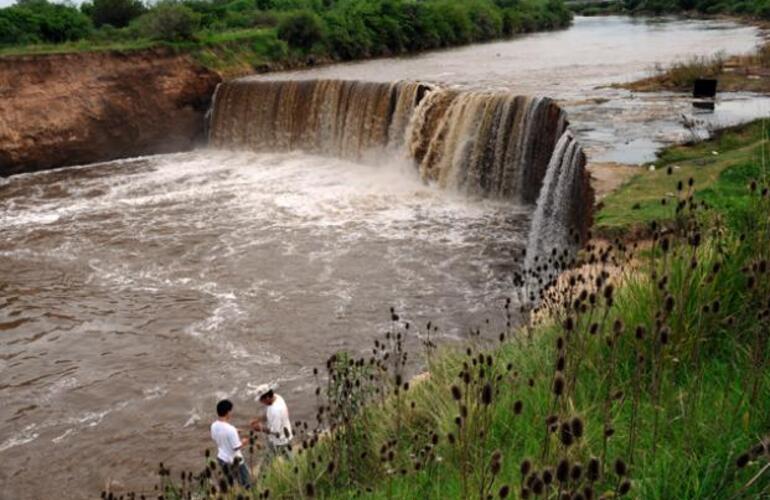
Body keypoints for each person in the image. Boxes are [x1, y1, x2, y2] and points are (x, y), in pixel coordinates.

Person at [210, 399, 251, 489]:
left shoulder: (213, 425)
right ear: (227, 412)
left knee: (231, 484)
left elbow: (215, 437)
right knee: (247, 484)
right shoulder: (230, 429)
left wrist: (235, 431)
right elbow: (236, 447)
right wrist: (244, 442)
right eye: (230, 411)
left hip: (221, 459)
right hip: (234, 461)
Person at [251, 386, 293, 460]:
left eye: (261, 399)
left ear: (267, 397)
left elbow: (276, 432)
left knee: (270, 460)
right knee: (287, 458)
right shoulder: (277, 397)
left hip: (280, 441)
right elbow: (269, 414)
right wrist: (259, 419)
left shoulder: (275, 410)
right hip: (286, 435)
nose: (261, 402)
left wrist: (260, 428)